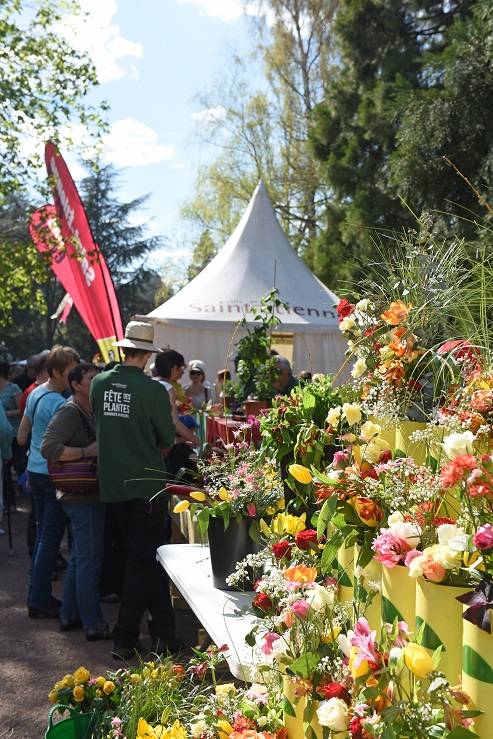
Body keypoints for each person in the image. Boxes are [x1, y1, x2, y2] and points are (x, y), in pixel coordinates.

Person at [90, 321, 181, 659]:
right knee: (142, 562)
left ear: (124, 349)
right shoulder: (153, 391)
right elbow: (166, 439)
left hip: (113, 485)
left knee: (145, 559)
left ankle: (164, 631)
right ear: (146, 355)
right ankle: (124, 638)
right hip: (146, 486)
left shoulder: (99, 383)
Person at [41, 362, 109, 640]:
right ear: (76, 384)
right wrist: (86, 451)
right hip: (81, 496)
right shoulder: (69, 411)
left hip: (87, 494)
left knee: (82, 558)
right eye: (92, 378)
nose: (97, 382)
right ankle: (93, 623)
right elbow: (48, 448)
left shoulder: (87, 409)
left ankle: (69, 614)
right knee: (89, 560)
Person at [17, 345, 80, 618]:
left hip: (36, 471)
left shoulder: (36, 394)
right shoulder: (60, 402)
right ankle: (38, 598)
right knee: (50, 539)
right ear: (57, 372)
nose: (76, 376)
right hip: (53, 472)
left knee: (45, 536)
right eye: (71, 372)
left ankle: (38, 595)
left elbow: (22, 436)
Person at [0, 360, 22, 510]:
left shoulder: (13, 388)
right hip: (3, 433)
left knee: (12, 467)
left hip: (13, 434)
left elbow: (22, 410)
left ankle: (12, 499)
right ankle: (7, 500)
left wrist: (5, 413)